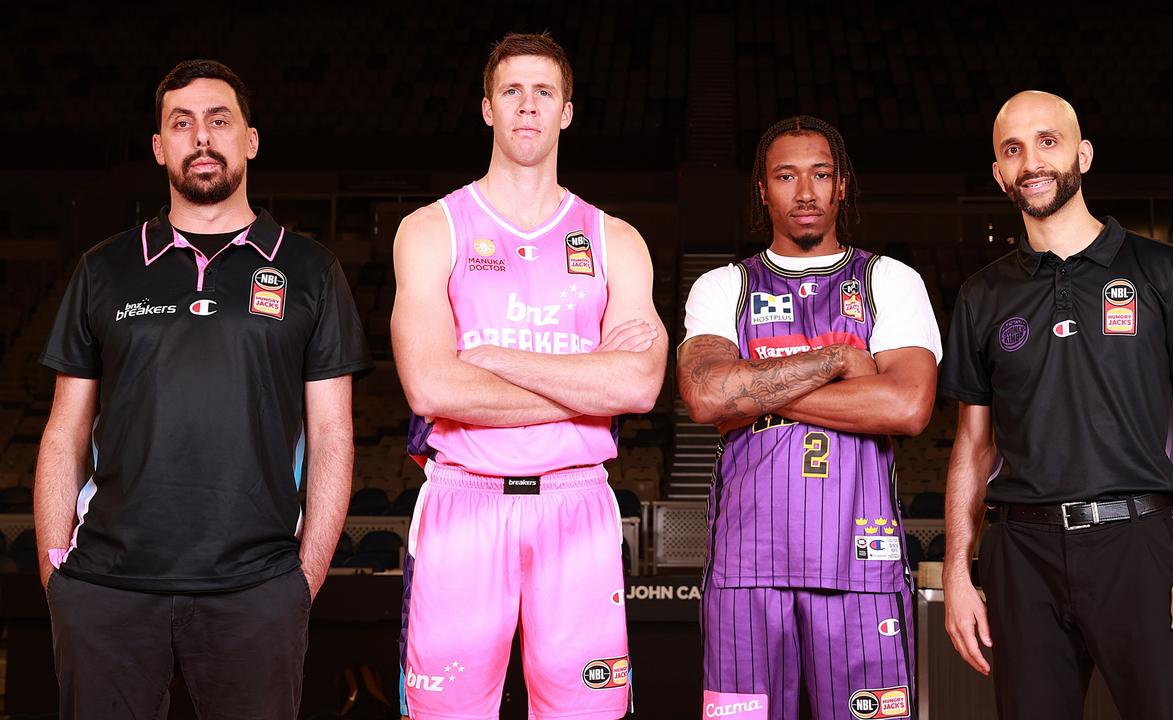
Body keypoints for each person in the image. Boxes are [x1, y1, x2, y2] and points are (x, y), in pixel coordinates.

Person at [34, 59, 372, 719]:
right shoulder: (104, 268)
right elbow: (64, 431)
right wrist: (57, 576)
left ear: (250, 139)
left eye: (220, 121)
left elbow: (333, 434)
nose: (202, 138)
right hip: (108, 590)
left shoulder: (309, 270)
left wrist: (302, 582)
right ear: (160, 148)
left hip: (255, 591)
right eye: (181, 125)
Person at [390, 32, 667, 719]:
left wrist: (494, 362)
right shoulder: (431, 230)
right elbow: (430, 387)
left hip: (577, 507)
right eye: (511, 91)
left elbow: (637, 388)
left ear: (567, 111)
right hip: (463, 502)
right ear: (486, 108)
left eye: (544, 92)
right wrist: (583, 382)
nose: (527, 106)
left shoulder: (615, 240)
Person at [940, 90, 1173, 720]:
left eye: (1048, 141)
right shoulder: (982, 295)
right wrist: (958, 574)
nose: (1032, 161)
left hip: (1139, 544)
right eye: (1013, 149)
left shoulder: (1164, 270)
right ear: (998, 173)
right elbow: (971, 444)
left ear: (1084, 154)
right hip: (1021, 553)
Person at [678, 115, 941, 720]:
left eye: (821, 175)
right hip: (745, 570)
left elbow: (905, 405)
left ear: (842, 184)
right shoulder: (723, 287)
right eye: (787, 176)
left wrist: (755, 393)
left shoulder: (890, 281)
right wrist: (841, 361)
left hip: (862, 564)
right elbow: (706, 395)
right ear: (761, 190)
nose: (805, 192)